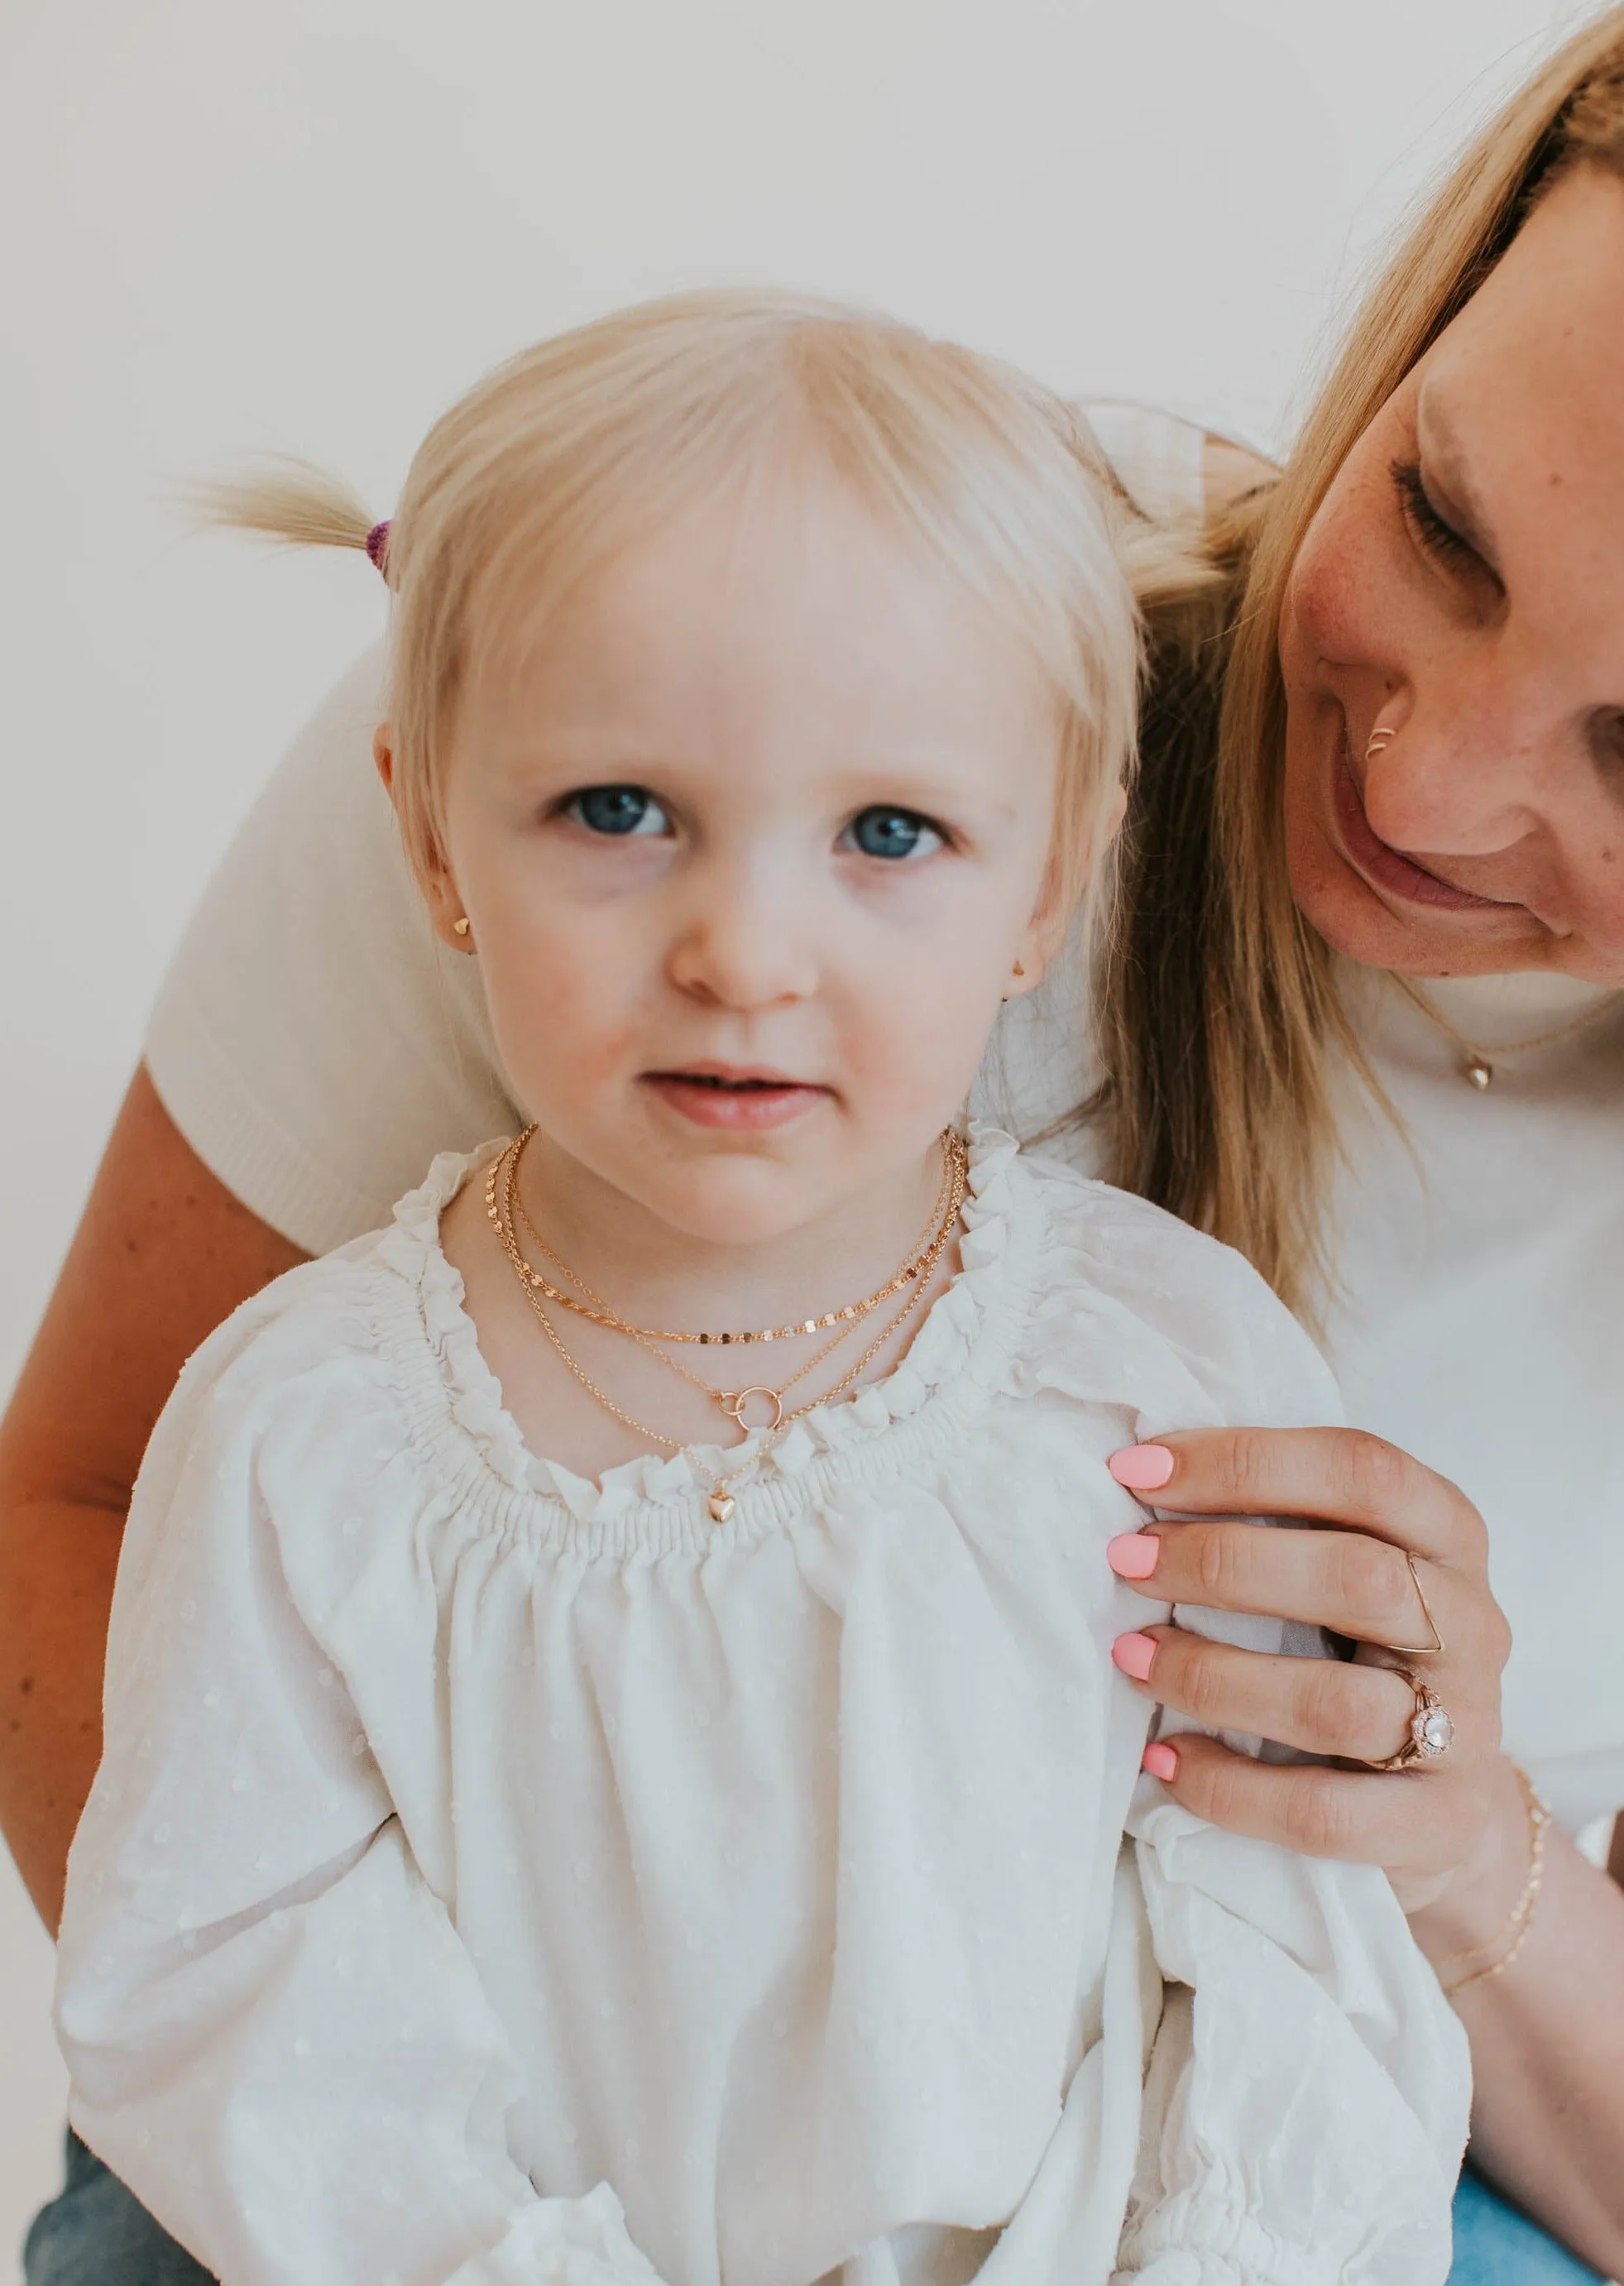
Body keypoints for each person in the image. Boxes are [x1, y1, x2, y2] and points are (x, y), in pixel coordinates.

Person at [7, 8, 1624, 2281]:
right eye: (1445, 526)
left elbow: (1283, 2017)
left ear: (1038, 871)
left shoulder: (1161, 1364)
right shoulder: (743, 609)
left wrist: (1459, 1864)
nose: (1427, 785)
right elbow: (223, 1962)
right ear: (438, 837)